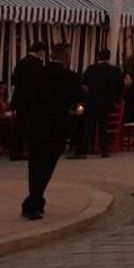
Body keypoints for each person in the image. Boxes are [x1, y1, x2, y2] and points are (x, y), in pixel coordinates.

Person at [17, 44, 81, 219]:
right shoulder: (70, 78)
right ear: (67, 58)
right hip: (57, 127)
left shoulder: (36, 74)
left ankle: (33, 201)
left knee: (35, 164)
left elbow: (26, 98)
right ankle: (34, 202)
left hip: (35, 125)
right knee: (47, 166)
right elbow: (78, 100)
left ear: (51, 55)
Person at [79, 49, 124, 158]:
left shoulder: (92, 69)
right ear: (109, 57)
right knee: (103, 126)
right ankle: (104, 150)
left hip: (92, 102)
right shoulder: (115, 70)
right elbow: (120, 88)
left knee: (89, 126)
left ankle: (84, 150)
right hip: (107, 103)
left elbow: (82, 83)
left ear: (98, 57)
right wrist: (116, 100)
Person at [8, 41, 46, 161]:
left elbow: (14, 79)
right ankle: (27, 151)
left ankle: (15, 151)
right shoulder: (37, 63)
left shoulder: (22, 61)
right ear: (40, 52)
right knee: (30, 126)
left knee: (19, 126)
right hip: (31, 101)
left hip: (19, 99)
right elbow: (39, 82)